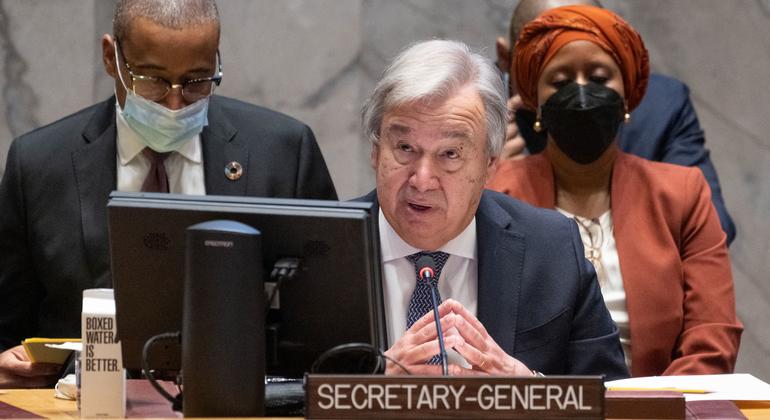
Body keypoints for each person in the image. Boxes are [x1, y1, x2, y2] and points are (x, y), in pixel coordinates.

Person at [0, 0, 336, 388]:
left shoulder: (283, 153)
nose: (175, 104)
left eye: (196, 81)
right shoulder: (40, 164)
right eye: (153, 81)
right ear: (112, 58)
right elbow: (9, 325)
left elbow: (328, 320)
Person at [487, 5, 742, 376]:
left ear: (627, 95)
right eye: (559, 82)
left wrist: (648, 411)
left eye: (599, 77)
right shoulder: (495, 196)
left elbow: (711, 340)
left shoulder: (682, 194)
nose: (582, 93)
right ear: (535, 102)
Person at [359, 39, 628, 379]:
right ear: (375, 151)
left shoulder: (552, 249)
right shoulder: (319, 249)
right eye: (405, 147)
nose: (422, 180)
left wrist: (529, 392)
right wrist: (371, 387)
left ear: (489, 166)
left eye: (450, 154)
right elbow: (277, 394)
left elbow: (612, 399)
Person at [495, 0, 736, 245]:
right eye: (556, 77)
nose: (580, 98)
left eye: (597, 77)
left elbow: (713, 228)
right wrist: (482, 189)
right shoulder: (469, 113)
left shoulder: (661, 108)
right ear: (506, 58)